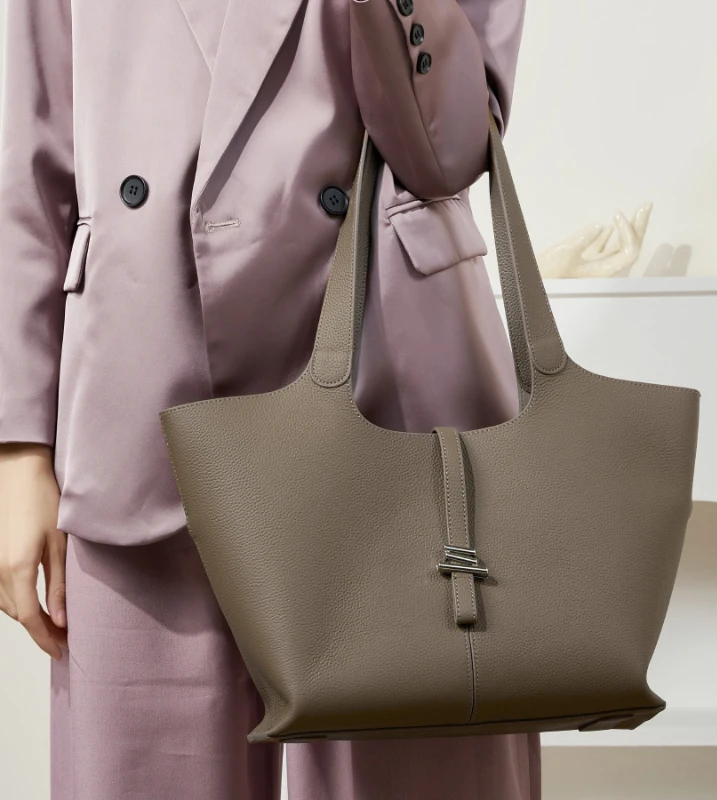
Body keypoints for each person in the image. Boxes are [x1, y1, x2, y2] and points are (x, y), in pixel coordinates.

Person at [0, 0, 541, 797]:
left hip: (391, 399)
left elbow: (449, 151)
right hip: (138, 385)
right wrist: (20, 447)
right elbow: (32, 152)